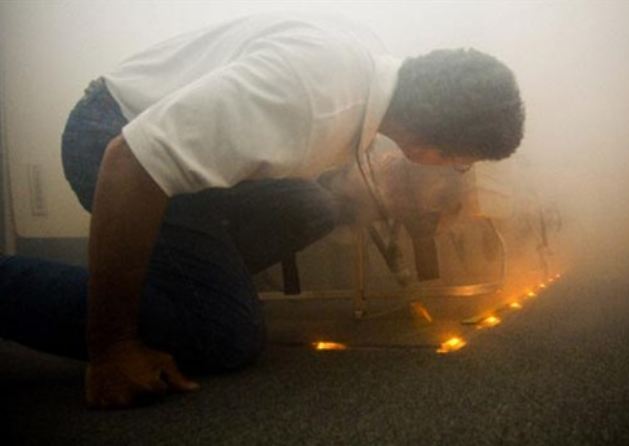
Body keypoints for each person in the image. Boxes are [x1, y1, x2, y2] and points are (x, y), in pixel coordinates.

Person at [0, 12, 524, 409]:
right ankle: (159, 308)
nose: (455, 173)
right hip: (112, 142)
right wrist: (111, 347)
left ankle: (180, 289)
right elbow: (129, 160)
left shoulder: (367, 69)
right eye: (463, 163)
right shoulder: (315, 96)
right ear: (437, 147)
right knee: (227, 335)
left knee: (313, 205)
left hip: (160, 149)